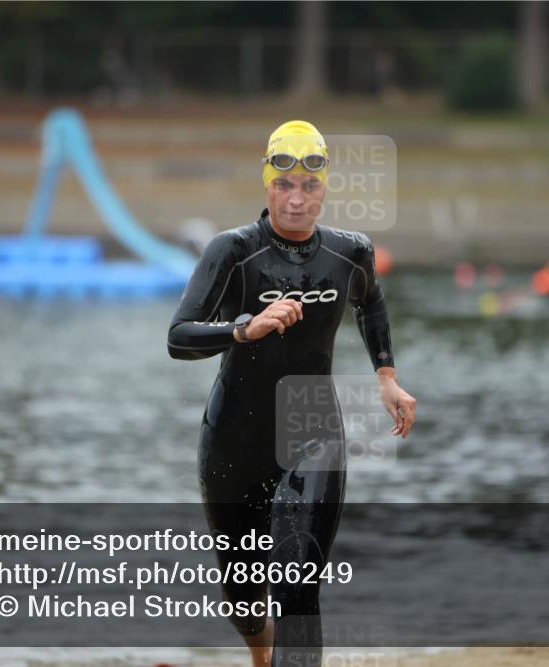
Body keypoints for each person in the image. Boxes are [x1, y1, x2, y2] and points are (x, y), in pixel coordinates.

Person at [167, 120, 416, 667]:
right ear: (266, 183)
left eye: (309, 186)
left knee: (298, 586)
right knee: (244, 600)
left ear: (325, 189)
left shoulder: (352, 252)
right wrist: (243, 329)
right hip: (234, 436)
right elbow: (178, 337)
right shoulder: (233, 251)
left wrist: (385, 375)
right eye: (285, 185)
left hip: (312, 428)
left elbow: (369, 301)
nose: (297, 199)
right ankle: (262, 655)